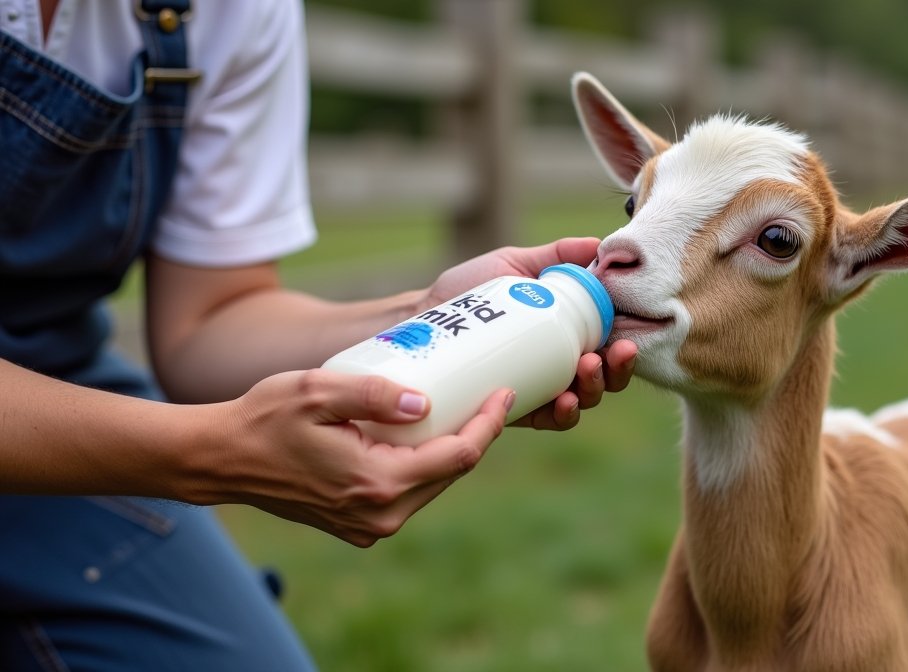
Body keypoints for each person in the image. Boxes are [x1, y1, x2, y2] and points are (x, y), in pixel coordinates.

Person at [0, 1, 636, 669]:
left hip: (65, 389)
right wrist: (208, 453)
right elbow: (201, 441)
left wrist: (428, 316)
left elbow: (208, 323)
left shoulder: (235, 12)